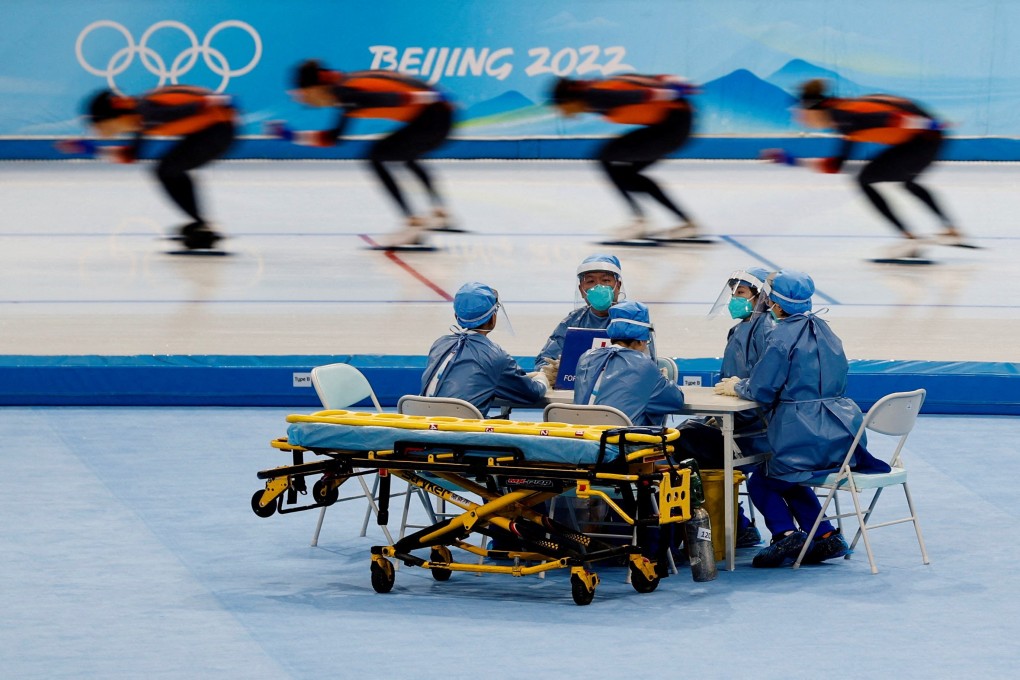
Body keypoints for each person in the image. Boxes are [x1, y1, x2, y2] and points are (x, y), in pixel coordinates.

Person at [715, 270, 890, 567]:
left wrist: (736, 386)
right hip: (842, 435)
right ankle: (823, 535)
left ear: (776, 305)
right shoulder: (825, 330)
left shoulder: (780, 337)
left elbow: (762, 389)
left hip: (803, 434)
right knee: (789, 477)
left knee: (763, 480)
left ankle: (784, 535)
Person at [764, 78, 969, 258]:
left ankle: (913, 238)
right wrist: (790, 160)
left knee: (868, 179)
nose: (800, 120)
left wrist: (932, 125)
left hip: (925, 138)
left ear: (813, 110)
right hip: (918, 139)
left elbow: (892, 118)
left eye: (801, 114)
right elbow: (836, 165)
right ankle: (946, 231)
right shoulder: (842, 116)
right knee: (901, 181)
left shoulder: (845, 116)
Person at [268, 59, 455, 249]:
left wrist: (430, 97)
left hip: (435, 114)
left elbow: (392, 98)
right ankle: (440, 213)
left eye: (302, 94)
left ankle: (414, 224)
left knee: (377, 156)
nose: (304, 100)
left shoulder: (346, 93)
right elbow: (334, 138)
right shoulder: (345, 88)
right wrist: (290, 135)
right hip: (437, 113)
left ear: (315, 88)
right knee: (401, 154)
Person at [57, 86, 237, 250]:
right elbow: (129, 156)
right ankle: (200, 224)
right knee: (168, 169)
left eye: (104, 127)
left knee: (167, 169)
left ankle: (202, 225)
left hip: (220, 129)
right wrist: (87, 148)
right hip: (214, 128)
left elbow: (194, 106)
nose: (106, 133)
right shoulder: (141, 116)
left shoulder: (148, 112)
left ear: (114, 115)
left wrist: (218, 101)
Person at [675, 267, 775, 548]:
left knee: (680, 443)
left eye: (741, 293)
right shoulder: (740, 330)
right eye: (733, 293)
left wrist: (738, 391)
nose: (734, 299)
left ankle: (733, 523)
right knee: (685, 437)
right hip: (739, 422)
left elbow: (763, 385)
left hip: (753, 431)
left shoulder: (765, 331)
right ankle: (736, 523)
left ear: (761, 298)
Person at [549, 74, 702, 243]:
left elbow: (639, 94)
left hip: (673, 125)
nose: (563, 112)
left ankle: (640, 221)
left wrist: (670, 91)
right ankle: (686, 223)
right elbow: (639, 81)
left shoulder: (595, 96)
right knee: (627, 175)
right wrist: (671, 81)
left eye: (561, 106)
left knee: (606, 158)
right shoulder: (595, 90)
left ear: (570, 99)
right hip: (673, 124)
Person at [421, 282, 548, 415]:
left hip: (423, 429)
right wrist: (542, 377)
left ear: (456, 316)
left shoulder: (439, 344)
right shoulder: (495, 356)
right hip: (462, 431)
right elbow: (532, 393)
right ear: (493, 318)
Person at [536, 253, 654, 382]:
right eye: (591, 281)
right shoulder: (572, 321)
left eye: (606, 280)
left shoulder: (633, 318)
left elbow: (647, 367)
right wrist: (551, 372)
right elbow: (544, 361)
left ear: (618, 286)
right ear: (581, 290)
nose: (598, 287)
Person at [572, 300, 684, 427]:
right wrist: (662, 379)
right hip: (619, 443)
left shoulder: (586, 358)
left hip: (582, 439)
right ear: (642, 340)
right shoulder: (643, 365)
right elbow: (675, 401)